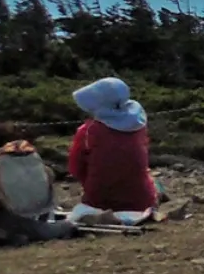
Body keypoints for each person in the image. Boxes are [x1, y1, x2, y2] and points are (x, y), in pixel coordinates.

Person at [65, 77, 159, 225]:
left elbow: (75, 168)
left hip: (99, 201)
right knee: (151, 181)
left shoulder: (88, 131)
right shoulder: (139, 125)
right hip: (142, 200)